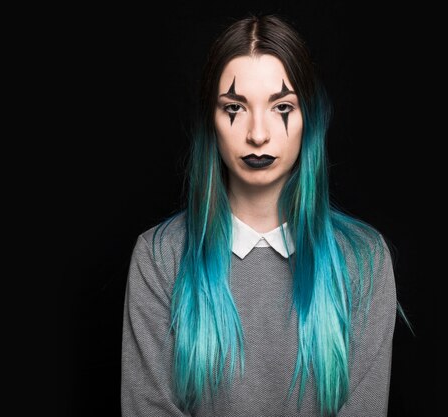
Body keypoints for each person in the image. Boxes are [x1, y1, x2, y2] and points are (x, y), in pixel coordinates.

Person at [121, 13, 410, 417]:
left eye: (282, 107)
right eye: (235, 107)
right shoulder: (160, 256)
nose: (258, 133)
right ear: (212, 120)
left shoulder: (364, 260)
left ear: (308, 117)